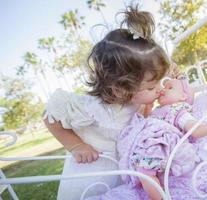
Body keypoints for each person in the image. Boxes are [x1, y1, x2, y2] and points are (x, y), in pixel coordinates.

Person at [43, 5, 171, 200]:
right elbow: (50, 117)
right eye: (152, 87)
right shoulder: (90, 107)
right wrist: (77, 146)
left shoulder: (136, 98)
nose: (159, 89)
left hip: (123, 171)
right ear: (120, 89)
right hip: (90, 174)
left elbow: (136, 122)